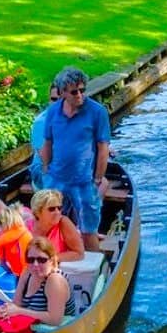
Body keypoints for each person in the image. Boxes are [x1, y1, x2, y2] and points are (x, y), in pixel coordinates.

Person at [40, 66, 111, 251]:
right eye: (74, 91)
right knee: (49, 225)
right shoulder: (53, 112)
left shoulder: (97, 112)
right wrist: (46, 170)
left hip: (84, 182)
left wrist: (98, 178)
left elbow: (103, 148)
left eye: (82, 90)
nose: (79, 95)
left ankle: (95, 264)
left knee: (88, 230)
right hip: (56, 180)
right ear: (63, 92)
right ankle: (51, 262)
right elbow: (47, 142)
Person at [0, 235, 76, 328]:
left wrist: (19, 311)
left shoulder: (55, 280)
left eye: (41, 260)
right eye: (31, 260)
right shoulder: (27, 273)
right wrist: (6, 310)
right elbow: (16, 304)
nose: (35, 264)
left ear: (51, 260)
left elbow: (55, 320)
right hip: (29, 329)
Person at [29, 188, 84, 261]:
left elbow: (79, 253)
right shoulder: (26, 226)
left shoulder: (63, 222)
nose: (57, 212)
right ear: (38, 212)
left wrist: (49, 259)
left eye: (59, 208)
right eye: (51, 209)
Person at [29, 81, 60, 190]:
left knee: (102, 182)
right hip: (44, 168)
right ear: (49, 99)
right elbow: (46, 158)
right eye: (54, 99)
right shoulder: (41, 123)